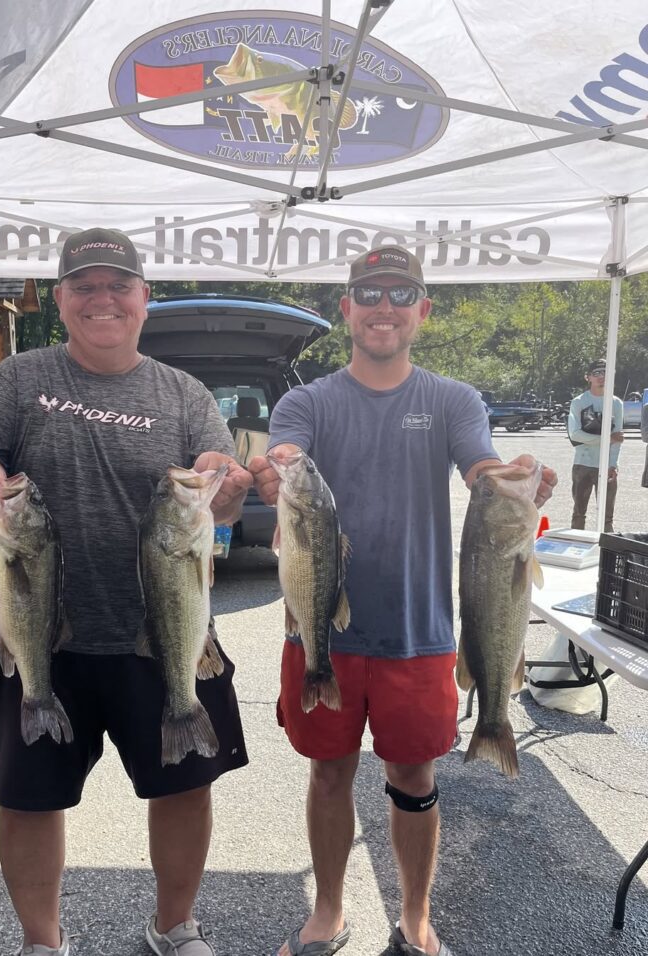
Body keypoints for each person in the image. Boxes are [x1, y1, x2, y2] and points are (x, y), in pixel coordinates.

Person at [0, 228, 253, 956]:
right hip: (41, 637)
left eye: (120, 285)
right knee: (28, 798)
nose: (102, 299)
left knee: (182, 789)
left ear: (145, 299)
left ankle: (173, 926)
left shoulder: (184, 394)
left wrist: (226, 483)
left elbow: (222, 489)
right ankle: (41, 942)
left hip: (168, 633)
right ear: (61, 300)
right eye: (85, 286)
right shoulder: (21, 378)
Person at [249, 245, 557, 956]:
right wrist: (278, 467)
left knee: (414, 774)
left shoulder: (451, 399)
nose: (383, 307)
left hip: (421, 630)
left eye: (400, 294)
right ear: (346, 310)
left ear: (422, 310)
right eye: (369, 293)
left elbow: (480, 465)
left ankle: (414, 915)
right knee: (328, 772)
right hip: (322, 629)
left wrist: (513, 477)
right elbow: (286, 453)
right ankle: (328, 908)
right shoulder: (309, 400)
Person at [567, 358, 624, 533]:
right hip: (583, 464)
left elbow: (618, 438)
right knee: (579, 513)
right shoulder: (579, 402)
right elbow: (575, 434)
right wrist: (607, 439)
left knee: (607, 517)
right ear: (588, 377)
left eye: (606, 373)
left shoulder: (616, 403)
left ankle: (608, 555)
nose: (601, 377)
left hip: (606, 465)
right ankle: (576, 548)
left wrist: (613, 464)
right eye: (597, 373)